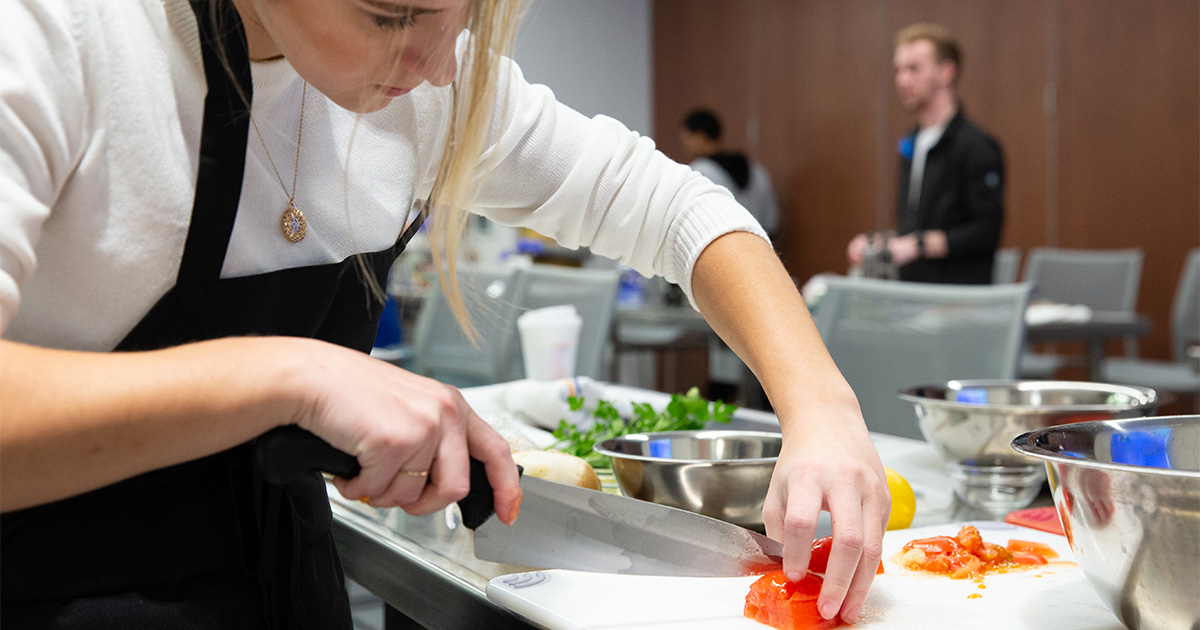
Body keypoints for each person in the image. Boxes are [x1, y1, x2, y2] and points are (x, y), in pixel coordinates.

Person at [0, 1, 886, 627]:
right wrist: (293, 375)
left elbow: (678, 210)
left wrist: (823, 412)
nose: (435, 65)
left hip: (285, 584)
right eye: (388, 14)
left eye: (459, 10)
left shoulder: (427, 86)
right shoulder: (59, 36)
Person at [847, 23, 1004, 284]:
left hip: (956, 299)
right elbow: (916, 228)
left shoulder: (977, 146)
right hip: (913, 294)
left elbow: (986, 232)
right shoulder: (911, 142)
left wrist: (917, 245)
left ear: (946, 72)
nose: (902, 80)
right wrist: (880, 242)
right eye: (898, 70)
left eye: (913, 69)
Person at [681, 109, 781, 239]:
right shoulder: (756, 170)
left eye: (686, 138)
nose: (684, 146)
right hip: (760, 248)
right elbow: (772, 222)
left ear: (700, 136)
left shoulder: (698, 173)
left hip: (720, 250)